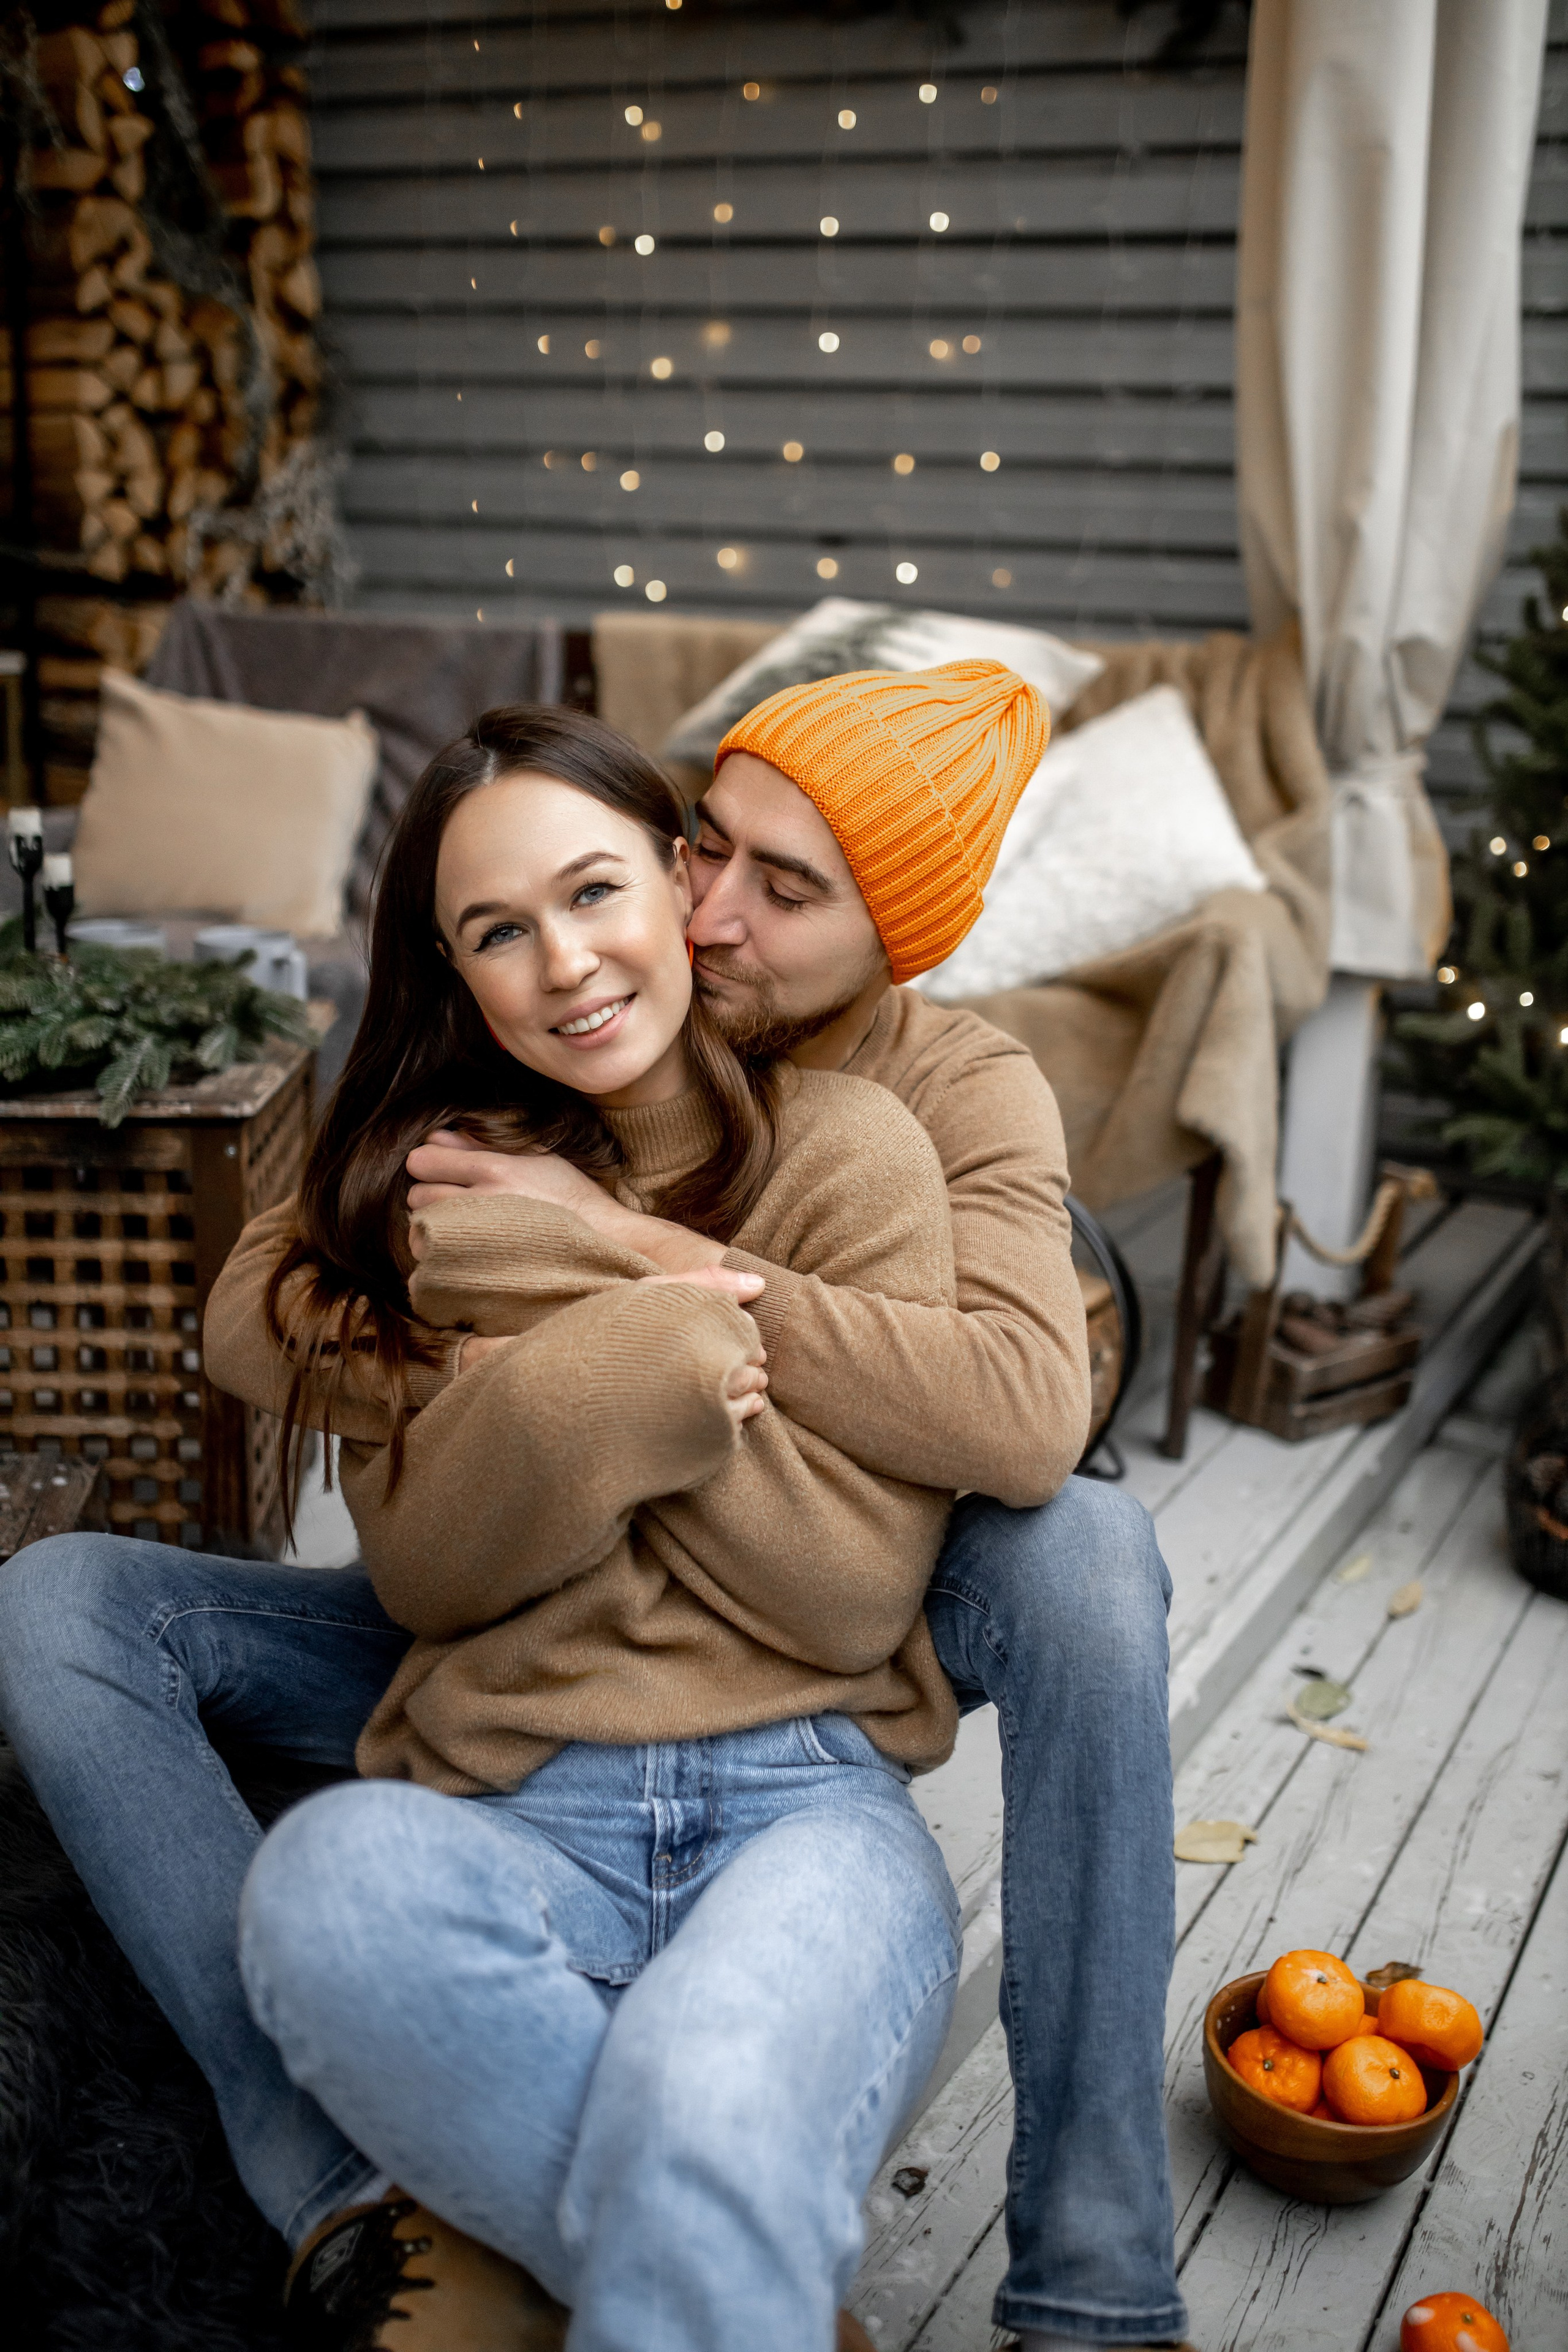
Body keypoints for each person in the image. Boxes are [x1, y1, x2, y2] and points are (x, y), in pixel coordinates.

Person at [0, 674, 1040, 2352]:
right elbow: (427, 1564)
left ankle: (689, 2252)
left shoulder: (853, 1153)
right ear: (454, 972)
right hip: (512, 1789)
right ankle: (726, 2283)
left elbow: (847, 1598)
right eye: (496, 931)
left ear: (674, 885)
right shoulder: (444, 1185)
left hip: (804, 1804)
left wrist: (606, 1298)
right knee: (322, 1887)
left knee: (711, 2099)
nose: (562, 963)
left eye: (593, 893)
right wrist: (653, 1365)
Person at [399, 665, 1191, 2352]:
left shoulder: (956, 1084)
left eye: (788, 886)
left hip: (883, 1586)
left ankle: (1097, 2282)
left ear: (891, 940)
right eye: (707, 844)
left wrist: (647, 1251)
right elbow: (311, 1289)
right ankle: (395, 2174)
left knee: (1096, 1560)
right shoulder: (590, 995)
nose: (713, 909)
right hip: (555, 1580)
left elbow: (1029, 1414)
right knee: (87, 1614)